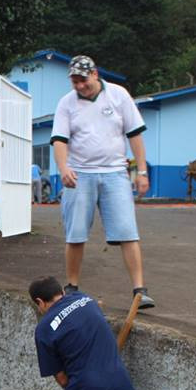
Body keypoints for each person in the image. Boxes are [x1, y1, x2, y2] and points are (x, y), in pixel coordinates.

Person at [51, 55, 155, 309]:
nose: (79, 86)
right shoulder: (67, 103)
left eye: (83, 80)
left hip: (115, 173)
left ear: (95, 74)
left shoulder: (119, 95)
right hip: (80, 174)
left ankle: (139, 291)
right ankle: (72, 286)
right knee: (75, 233)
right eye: (74, 81)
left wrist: (141, 171)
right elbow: (59, 140)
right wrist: (64, 168)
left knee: (128, 231)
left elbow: (135, 136)